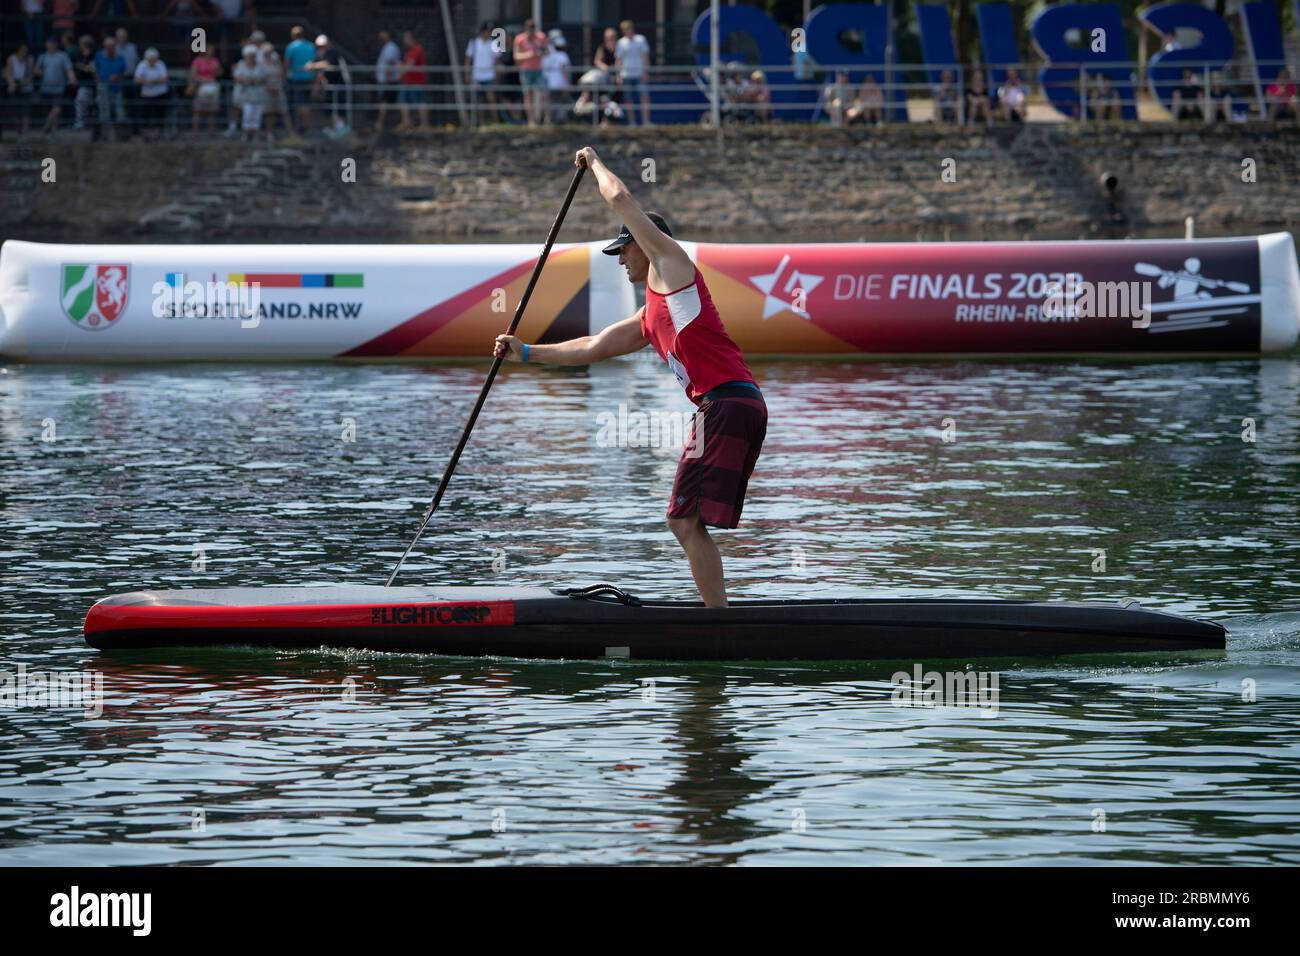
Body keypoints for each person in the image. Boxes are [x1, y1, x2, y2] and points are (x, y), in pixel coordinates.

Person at [494, 147, 766, 607]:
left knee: (682, 520)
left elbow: (619, 197)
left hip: (726, 405)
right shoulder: (650, 316)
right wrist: (525, 353)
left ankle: (720, 624)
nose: (620, 260)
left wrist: (594, 161)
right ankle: (720, 616)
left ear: (646, 242)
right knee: (688, 520)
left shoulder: (673, 266)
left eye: (624, 249)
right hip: (735, 407)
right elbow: (593, 346)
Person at [35, 35, 75, 135]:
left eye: (53, 43)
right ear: (46, 45)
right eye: (49, 43)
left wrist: (72, 78)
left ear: (56, 45)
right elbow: (36, 70)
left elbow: (69, 69)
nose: (51, 45)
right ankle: (53, 133)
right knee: (52, 112)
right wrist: (40, 72)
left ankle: (46, 128)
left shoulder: (63, 55)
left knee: (56, 109)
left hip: (59, 89)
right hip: (46, 88)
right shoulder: (42, 57)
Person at [615, 19, 651, 126]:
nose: (627, 31)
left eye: (628, 29)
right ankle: (632, 122)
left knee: (644, 97)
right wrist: (618, 75)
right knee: (628, 99)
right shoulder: (621, 42)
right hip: (626, 75)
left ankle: (646, 122)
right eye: (624, 30)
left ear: (632, 29)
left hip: (640, 74)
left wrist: (646, 72)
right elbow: (618, 60)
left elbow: (645, 57)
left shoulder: (641, 39)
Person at [513, 18, 546, 126]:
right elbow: (516, 56)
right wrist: (528, 55)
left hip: (539, 69)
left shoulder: (541, 37)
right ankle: (531, 121)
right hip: (526, 70)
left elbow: (546, 51)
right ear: (526, 29)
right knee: (528, 96)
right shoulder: (519, 39)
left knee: (544, 94)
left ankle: (545, 119)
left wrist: (539, 52)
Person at [464, 21, 497, 127]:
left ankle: (495, 121)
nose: (489, 33)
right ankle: (481, 122)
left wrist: (497, 74)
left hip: (489, 76)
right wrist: (467, 74)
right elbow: (468, 59)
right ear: (482, 32)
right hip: (477, 76)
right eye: (487, 31)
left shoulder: (494, 43)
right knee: (479, 100)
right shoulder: (473, 43)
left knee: (491, 98)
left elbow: (497, 60)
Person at [93, 35, 126, 140]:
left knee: (120, 113)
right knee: (104, 114)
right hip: (103, 88)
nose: (111, 48)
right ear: (105, 47)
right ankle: (104, 138)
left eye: (113, 46)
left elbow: (124, 72)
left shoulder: (120, 58)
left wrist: (118, 77)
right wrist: (98, 81)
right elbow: (95, 69)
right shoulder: (99, 56)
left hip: (117, 89)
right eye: (109, 46)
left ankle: (119, 138)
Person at [283, 25, 315, 133]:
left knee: (298, 103)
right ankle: (305, 125)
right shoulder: (310, 46)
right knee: (306, 102)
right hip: (309, 78)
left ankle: (300, 127)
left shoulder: (291, 47)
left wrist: (284, 77)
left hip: (296, 79)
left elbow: (286, 63)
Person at [133, 46, 169, 139]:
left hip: (160, 93)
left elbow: (164, 78)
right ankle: (146, 135)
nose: (152, 61)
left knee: (159, 114)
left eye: (154, 59)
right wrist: (146, 81)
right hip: (147, 94)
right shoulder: (142, 64)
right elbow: (137, 79)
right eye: (150, 59)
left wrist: (152, 81)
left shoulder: (161, 64)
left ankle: (157, 134)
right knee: (146, 114)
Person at [231, 42, 266, 139]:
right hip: (245, 95)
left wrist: (256, 80)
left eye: (254, 56)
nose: (252, 58)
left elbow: (264, 76)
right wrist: (247, 81)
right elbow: (237, 77)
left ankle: (255, 135)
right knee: (247, 114)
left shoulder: (260, 65)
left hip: (258, 95)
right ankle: (246, 134)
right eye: (250, 56)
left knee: (256, 116)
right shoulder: (241, 65)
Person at [187, 45, 221, 134]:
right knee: (198, 110)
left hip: (212, 86)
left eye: (212, 50)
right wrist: (201, 79)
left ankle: (211, 131)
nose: (211, 52)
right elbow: (192, 74)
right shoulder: (197, 61)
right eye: (209, 50)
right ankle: (195, 131)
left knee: (211, 111)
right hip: (201, 87)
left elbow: (220, 73)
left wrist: (216, 69)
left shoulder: (215, 60)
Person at [399, 30, 429, 130]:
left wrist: (400, 73)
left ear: (411, 38)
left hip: (416, 82)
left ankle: (424, 124)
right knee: (402, 101)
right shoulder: (409, 51)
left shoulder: (417, 49)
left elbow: (409, 65)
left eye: (406, 38)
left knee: (420, 102)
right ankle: (406, 123)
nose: (404, 40)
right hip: (407, 81)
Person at [6, 42, 36, 138]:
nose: (25, 51)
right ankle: (18, 134)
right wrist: (12, 82)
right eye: (23, 49)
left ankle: (25, 134)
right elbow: (8, 73)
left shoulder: (30, 59)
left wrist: (26, 81)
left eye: (26, 49)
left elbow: (31, 75)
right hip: (15, 89)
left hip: (27, 89)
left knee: (26, 112)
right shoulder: (11, 59)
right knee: (16, 112)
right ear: (18, 49)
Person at [541, 29, 571, 125]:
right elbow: (564, 70)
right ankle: (557, 121)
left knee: (552, 104)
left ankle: (550, 121)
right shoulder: (561, 55)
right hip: (559, 84)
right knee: (559, 104)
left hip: (549, 84)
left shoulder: (545, 56)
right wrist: (567, 84)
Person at [260, 41, 289, 136]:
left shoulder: (276, 60)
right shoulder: (260, 62)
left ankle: (290, 133)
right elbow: (260, 78)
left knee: (284, 111)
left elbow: (281, 73)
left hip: (278, 89)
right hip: (266, 90)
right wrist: (269, 87)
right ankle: (269, 133)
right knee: (269, 113)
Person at [374, 29, 400, 131]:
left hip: (389, 81)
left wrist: (386, 79)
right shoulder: (387, 47)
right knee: (391, 102)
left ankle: (380, 123)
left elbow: (391, 63)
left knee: (384, 102)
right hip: (387, 80)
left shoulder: (391, 47)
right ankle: (404, 122)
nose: (380, 35)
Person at [71, 33, 96, 131]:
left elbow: (92, 69)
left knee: (80, 101)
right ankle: (81, 123)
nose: (79, 46)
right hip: (83, 83)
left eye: (81, 44)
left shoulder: (92, 55)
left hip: (89, 84)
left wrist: (80, 66)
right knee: (82, 102)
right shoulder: (82, 55)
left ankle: (80, 123)